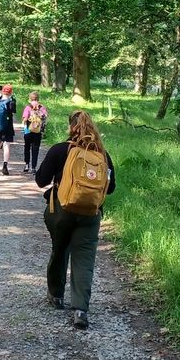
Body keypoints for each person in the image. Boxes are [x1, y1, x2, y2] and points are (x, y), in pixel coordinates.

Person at [33, 111, 116, 330]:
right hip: (91, 215)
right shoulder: (102, 155)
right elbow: (111, 188)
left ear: (71, 127)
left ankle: (56, 295)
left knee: (60, 249)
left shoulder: (60, 149)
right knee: (85, 259)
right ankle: (80, 310)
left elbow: (41, 180)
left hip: (60, 212)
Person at [0, 84, 17, 174]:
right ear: (11, 92)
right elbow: (13, 113)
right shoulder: (11, 102)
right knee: (6, 146)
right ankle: (5, 166)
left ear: (2, 91)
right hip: (8, 126)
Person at [21, 90, 49, 174]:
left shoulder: (28, 107)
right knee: (35, 149)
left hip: (28, 131)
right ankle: (33, 167)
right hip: (38, 131)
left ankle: (26, 165)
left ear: (30, 98)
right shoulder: (42, 107)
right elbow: (45, 117)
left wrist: (26, 120)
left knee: (27, 148)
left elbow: (24, 119)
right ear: (38, 98)